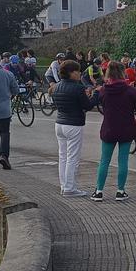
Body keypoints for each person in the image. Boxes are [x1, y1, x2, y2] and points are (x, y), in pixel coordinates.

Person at [93, 61, 136, 201]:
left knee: (104, 160)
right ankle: (120, 191)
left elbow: (102, 105)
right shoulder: (130, 91)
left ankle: (99, 191)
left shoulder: (104, 91)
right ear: (123, 73)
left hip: (109, 128)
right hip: (126, 128)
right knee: (123, 160)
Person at [52, 59, 101, 197]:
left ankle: (64, 186)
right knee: (72, 157)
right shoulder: (78, 88)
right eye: (78, 71)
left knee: (62, 157)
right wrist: (96, 94)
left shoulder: (56, 87)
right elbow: (88, 105)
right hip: (73, 124)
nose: (80, 73)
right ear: (71, 73)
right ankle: (70, 188)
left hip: (59, 123)